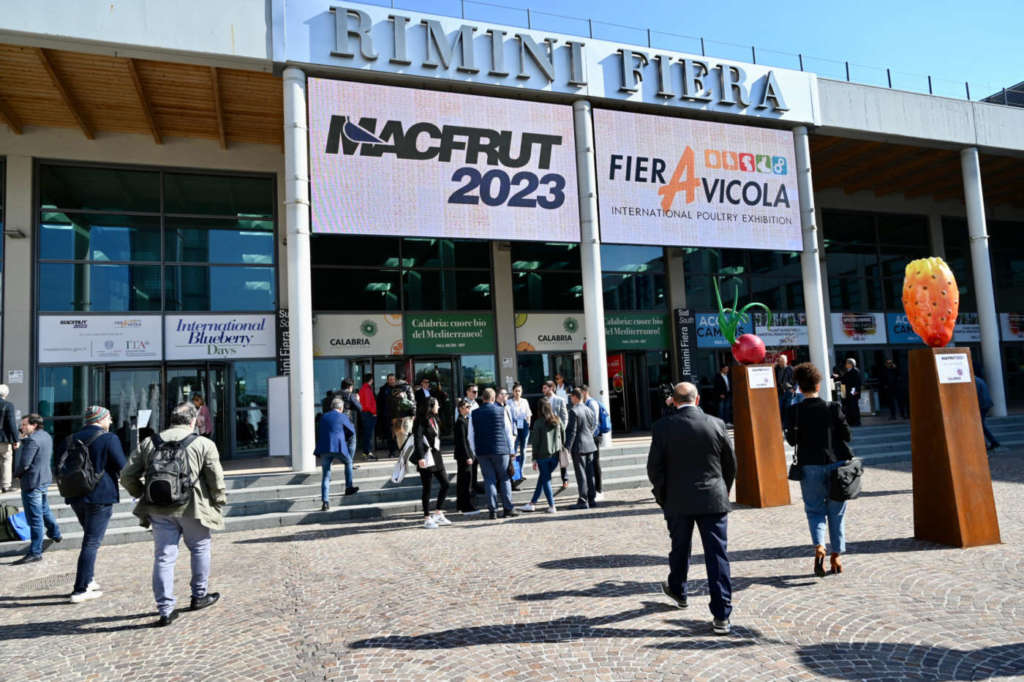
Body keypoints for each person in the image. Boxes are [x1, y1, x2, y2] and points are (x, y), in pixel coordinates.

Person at [120, 402, 226, 627]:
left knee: (163, 557)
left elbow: (127, 476)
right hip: (193, 507)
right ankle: (199, 595)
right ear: (193, 420)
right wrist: (218, 501)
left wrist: (143, 494)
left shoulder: (149, 443)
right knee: (199, 548)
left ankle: (165, 609)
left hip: (158, 508)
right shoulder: (203, 443)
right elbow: (216, 479)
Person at [647, 382, 736, 636]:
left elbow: (655, 468)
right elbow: (730, 463)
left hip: (678, 498)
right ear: (697, 400)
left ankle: (679, 589)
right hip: (713, 498)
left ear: (674, 401)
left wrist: (663, 496)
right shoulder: (717, 424)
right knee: (717, 555)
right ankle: (721, 616)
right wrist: (723, 489)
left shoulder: (663, 427)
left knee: (680, 547)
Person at [786, 363, 853, 577]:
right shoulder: (832, 408)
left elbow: (791, 439)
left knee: (814, 510)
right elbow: (847, 435)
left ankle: (819, 547)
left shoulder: (794, 411)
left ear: (800, 386)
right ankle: (836, 555)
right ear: (818, 384)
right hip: (835, 464)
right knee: (837, 511)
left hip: (809, 465)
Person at [58, 406, 126, 603]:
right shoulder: (109, 438)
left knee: (89, 538)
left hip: (76, 494)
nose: (111, 422)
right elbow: (122, 465)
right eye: (109, 418)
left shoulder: (70, 439)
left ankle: (88, 579)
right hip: (100, 495)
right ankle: (81, 589)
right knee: (91, 542)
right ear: (101, 419)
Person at [11, 414, 62, 564]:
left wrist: (16, 475)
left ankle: (35, 552)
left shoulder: (32, 440)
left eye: (24, 425)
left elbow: (25, 463)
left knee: (35, 518)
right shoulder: (45, 435)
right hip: (44, 479)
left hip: (32, 482)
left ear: (34, 425)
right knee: (44, 509)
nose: (21, 427)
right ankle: (55, 533)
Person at [470, 388, 517, 519]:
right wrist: (512, 450)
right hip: (501, 450)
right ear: (493, 398)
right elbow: (509, 433)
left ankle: (493, 510)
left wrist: (475, 451)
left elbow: (470, 436)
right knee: (504, 478)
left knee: (489, 480)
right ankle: (508, 508)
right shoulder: (502, 411)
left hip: (482, 451)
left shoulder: (474, 413)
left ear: (482, 398)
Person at [519, 397, 563, 514]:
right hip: (555, 456)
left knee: (546, 479)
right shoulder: (558, 420)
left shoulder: (538, 423)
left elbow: (535, 443)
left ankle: (552, 505)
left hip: (543, 457)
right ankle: (532, 503)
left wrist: (534, 459)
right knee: (543, 478)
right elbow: (563, 437)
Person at [412, 397, 451, 529]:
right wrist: (420, 457)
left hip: (437, 456)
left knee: (446, 483)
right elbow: (417, 440)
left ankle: (438, 512)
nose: (438, 407)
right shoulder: (420, 421)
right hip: (426, 457)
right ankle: (427, 517)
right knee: (427, 488)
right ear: (431, 406)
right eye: (437, 405)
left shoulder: (434, 418)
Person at [316, 397, 358, 511]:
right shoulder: (342, 416)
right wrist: (344, 437)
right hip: (339, 447)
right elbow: (351, 431)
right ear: (341, 407)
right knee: (348, 461)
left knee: (326, 475)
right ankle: (349, 487)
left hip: (325, 447)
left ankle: (325, 502)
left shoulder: (324, 416)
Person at [565, 389, 598, 509]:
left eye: (571, 397)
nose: (570, 399)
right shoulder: (588, 409)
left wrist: (567, 447)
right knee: (590, 473)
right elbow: (593, 425)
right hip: (590, 444)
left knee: (581, 474)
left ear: (574, 397)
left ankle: (583, 500)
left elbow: (572, 432)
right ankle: (592, 498)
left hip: (579, 446)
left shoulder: (574, 411)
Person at [541, 381, 570, 490]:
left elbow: (564, 416)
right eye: (543, 388)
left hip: (558, 432)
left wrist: (562, 428)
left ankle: (565, 479)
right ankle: (547, 479)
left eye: (545, 388)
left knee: (562, 455)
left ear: (551, 388)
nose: (543, 390)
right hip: (547, 434)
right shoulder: (543, 401)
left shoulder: (560, 400)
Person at [453, 398, 479, 514]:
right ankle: (465, 505)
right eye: (467, 407)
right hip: (464, 456)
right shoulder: (460, 422)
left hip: (467, 454)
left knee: (464, 480)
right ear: (461, 409)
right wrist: (468, 456)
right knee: (465, 480)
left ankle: (461, 505)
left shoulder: (466, 420)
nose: (469, 409)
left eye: (469, 407)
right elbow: (462, 441)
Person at [581, 385, 606, 501]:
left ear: (585, 392)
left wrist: (590, 435)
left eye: (581, 392)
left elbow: (594, 422)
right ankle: (593, 489)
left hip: (594, 437)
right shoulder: (586, 403)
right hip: (590, 436)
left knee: (595, 462)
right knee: (591, 463)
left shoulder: (592, 404)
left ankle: (599, 489)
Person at [508, 383, 532, 492]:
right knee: (514, 450)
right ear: (513, 392)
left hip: (524, 426)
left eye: (519, 391)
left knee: (523, 450)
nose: (518, 393)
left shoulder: (525, 401)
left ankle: (521, 471)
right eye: (516, 391)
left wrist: (528, 422)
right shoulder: (509, 402)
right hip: (514, 427)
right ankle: (515, 473)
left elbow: (528, 414)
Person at [0, 383, 19, 493]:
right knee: (6, 460)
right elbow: (11, 423)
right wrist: (16, 439)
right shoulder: (8, 405)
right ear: (6, 394)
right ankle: (6, 485)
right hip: (3, 439)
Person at [390, 376, 416, 453]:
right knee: (407, 435)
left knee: (399, 437)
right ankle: (406, 454)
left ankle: (401, 452)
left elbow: (390, 405)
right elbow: (412, 402)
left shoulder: (393, 390)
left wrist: (393, 417)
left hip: (396, 418)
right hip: (406, 416)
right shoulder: (408, 388)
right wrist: (413, 414)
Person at [975, 373, 1001, 451]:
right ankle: (990, 442)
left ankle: (993, 441)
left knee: (981, 424)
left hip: (982, 405)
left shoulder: (975, 382)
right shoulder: (979, 380)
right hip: (985, 404)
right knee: (981, 424)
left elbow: (976, 394)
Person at [338, 379, 362, 459]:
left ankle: (344, 458)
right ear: (350, 386)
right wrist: (357, 400)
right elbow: (359, 408)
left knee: (342, 441)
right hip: (347, 420)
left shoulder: (335, 394)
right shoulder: (350, 395)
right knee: (352, 440)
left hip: (335, 420)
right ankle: (349, 461)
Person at [836, 359, 862, 427]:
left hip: (853, 392)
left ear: (851, 364)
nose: (846, 365)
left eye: (847, 363)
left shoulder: (855, 371)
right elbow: (844, 380)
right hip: (848, 392)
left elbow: (857, 383)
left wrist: (854, 392)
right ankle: (851, 421)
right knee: (849, 407)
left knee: (854, 407)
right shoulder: (848, 371)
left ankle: (857, 421)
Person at [358, 373, 378, 460]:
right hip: (368, 414)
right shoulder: (366, 389)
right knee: (368, 434)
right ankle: (367, 453)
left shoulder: (364, 388)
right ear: (371, 380)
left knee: (367, 434)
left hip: (367, 413)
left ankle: (366, 452)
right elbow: (367, 404)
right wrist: (374, 412)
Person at [376, 373, 397, 457]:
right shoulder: (383, 389)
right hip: (387, 416)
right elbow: (379, 403)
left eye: (393, 379)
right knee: (390, 434)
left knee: (399, 433)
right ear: (387, 380)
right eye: (390, 379)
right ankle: (392, 451)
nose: (392, 381)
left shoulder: (399, 388)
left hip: (398, 415)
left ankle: (400, 450)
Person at [775, 355, 795, 428]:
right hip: (780, 392)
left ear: (786, 361)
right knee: (780, 409)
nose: (781, 362)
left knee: (787, 409)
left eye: (783, 361)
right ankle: (781, 425)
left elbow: (795, 380)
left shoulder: (790, 369)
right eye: (780, 361)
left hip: (788, 392)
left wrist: (793, 389)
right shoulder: (776, 369)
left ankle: (787, 425)